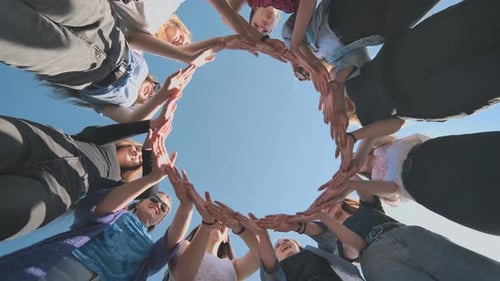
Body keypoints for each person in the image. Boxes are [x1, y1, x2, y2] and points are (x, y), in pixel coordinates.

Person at [0, 135, 195, 281]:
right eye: (155, 199)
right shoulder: (119, 213)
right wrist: (152, 178)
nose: (158, 205)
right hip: (59, 269)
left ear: (160, 221)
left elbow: (172, 241)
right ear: (140, 201)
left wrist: (186, 206)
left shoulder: (150, 252)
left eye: (164, 208)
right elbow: (102, 209)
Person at [0, 91, 180, 240]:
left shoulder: (114, 184)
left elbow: (147, 194)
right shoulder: (102, 142)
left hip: (60, 188)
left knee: (12, 210)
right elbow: (97, 133)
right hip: (45, 142)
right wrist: (151, 125)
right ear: (124, 143)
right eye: (135, 148)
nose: (136, 153)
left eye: (139, 160)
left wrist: (148, 150)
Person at [0, 0, 213, 123]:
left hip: (80, 68)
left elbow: (132, 121)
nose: (152, 93)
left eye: (148, 99)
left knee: (14, 31)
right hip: (105, 29)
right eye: (155, 87)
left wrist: (164, 96)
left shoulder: (119, 103)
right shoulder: (141, 61)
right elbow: (133, 39)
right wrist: (188, 55)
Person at [335, 0, 500, 157]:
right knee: (485, 81)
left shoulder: (343, 82)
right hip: (420, 101)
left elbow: (350, 59)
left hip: (405, 56)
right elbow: (396, 124)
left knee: (472, 24)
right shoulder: (368, 123)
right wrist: (352, 137)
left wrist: (335, 96)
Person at [314, 132, 500, 235]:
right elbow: (393, 189)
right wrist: (350, 182)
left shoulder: (380, 147)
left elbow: (372, 136)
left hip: (430, 156)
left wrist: (357, 148)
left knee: (487, 155)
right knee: (480, 208)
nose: (352, 162)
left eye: (351, 159)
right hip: (422, 187)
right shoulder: (375, 183)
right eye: (348, 165)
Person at [298, 190, 500, 281]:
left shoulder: (367, 208)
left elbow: (362, 186)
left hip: (408, 235)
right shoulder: (337, 240)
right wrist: (323, 218)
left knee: (471, 269)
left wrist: (344, 184)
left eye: (328, 201)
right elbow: (355, 249)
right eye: (322, 208)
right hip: (377, 261)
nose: (327, 207)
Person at [110, 0, 258, 65]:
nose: (181, 43)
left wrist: (221, 42)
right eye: (184, 38)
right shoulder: (173, 4)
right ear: (183, 28)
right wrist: (247, 36)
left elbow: (179, 53)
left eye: (178, 45)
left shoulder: (142, 38)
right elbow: (182, 52)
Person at [237, 209, 364, 281]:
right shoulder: (278, 272)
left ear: (298, 245)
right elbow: (270, 269)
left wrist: (299, 226)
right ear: (275, 256)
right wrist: (263, 236)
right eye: (278, 245)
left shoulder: (320, 254)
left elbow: (327, 237)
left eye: (287, 240)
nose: (283, 243)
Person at [165, 194, 260, 281]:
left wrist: (238, 225)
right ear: (199, 229)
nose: (219, 222)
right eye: (214, 220)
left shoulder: (232, 266)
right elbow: (183, 275)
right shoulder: (183, 246)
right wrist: (207, 222)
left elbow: (259, 255)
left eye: (224, 223)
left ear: (226, 239)